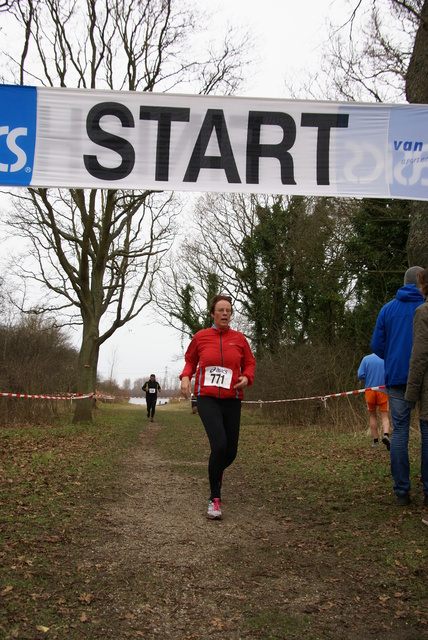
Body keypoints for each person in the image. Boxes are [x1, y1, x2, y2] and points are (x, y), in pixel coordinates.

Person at [180, 294, 256, 520]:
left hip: (232, 399)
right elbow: (190, 361)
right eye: (221, 310)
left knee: (230, 451)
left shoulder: (239, 339)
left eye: (229, 310)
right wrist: (185, 377)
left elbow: (250, 363)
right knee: (220, 445)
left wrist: (246, 377)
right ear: (212, 313)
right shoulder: (201, 337)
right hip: (208, 399)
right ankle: (214, 500)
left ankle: (217, 473)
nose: (225, 314)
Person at [371, 266, 424, 506]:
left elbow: (377, 345)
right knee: (427, 433)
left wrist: (393, 356)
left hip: (398, 377)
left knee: (400, 432)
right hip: (425, 379)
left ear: (404, 283)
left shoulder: (388, 309)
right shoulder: (424, 308)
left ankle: (402, 492)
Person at [404, 268, 428, 511]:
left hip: (423, 390)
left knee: (426, 441)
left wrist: (411, 394)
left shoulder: (423, 312)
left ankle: (423, 494)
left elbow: (419, 356)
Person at [358, 353, 391, 449]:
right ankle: (386, 435)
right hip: (383, 390)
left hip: (370, 390)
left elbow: (360, 374)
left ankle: (375, 441)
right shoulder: (386, 358)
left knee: (372, 415)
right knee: (384, 416)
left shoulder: (366, 359)